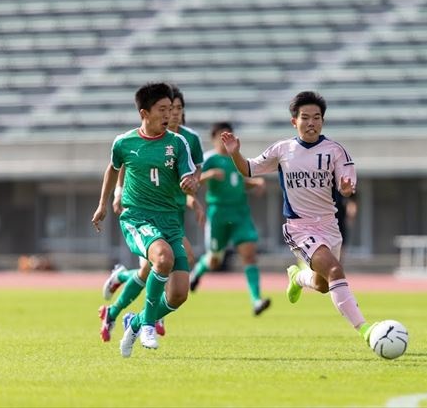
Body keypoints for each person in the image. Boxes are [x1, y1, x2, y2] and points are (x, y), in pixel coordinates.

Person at [220, 91, 378, 347]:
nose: (311, 122)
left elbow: (346, 183)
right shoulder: (283, 150)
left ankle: (297, 278)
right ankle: (367, 330)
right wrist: (235, 154)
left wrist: (347, 189)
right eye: (305, 117)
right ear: (294, 121)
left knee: (323, 284)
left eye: (317, 117)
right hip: (299, 227)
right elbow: (248, 169)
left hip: (329, 226)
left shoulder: (335, 151)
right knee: (336, 270)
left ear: (323, 122)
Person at [91, 82, 199, 357]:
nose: (169, 115)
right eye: (162, 109)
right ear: (144, 113)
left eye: (172, 109)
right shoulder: (125, 142)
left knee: (178, 295)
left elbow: (190, 176)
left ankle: (136, 321)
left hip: (170, 220)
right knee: (161, 259)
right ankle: (149, 323)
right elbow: (113, 170)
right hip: (136, 217)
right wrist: (104, 203)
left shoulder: (178, 142)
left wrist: (191, 184)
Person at [189, 122, 271, 316]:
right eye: (222, 137)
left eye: (229, 136)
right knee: (215, 260)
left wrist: (255, 183)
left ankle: (256, 300)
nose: (226, 141)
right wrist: (208, 175)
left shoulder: (237, 159)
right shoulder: (208, 159)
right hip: (218, 214)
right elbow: (190, 180)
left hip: (240, 213)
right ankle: (197, 273)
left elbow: (239, 181)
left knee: (249, 254)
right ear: (214, 138)